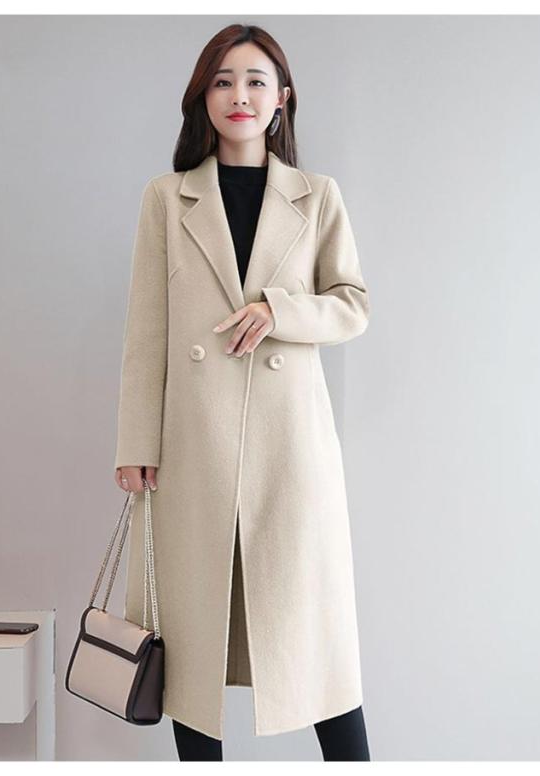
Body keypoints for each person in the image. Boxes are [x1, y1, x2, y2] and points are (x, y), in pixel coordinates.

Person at [113, 23, 371, 761]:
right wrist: (135, 444)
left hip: (291, 451)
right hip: (192, 445)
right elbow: (147, 332)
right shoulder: (167, 199)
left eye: (257, 81)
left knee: (317, 646)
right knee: (190, 649)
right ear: (203, 96)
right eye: (223, 81)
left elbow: (352, 305)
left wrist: (279, 311)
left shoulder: (317, 197)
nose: (240, 95)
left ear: (282, 98)